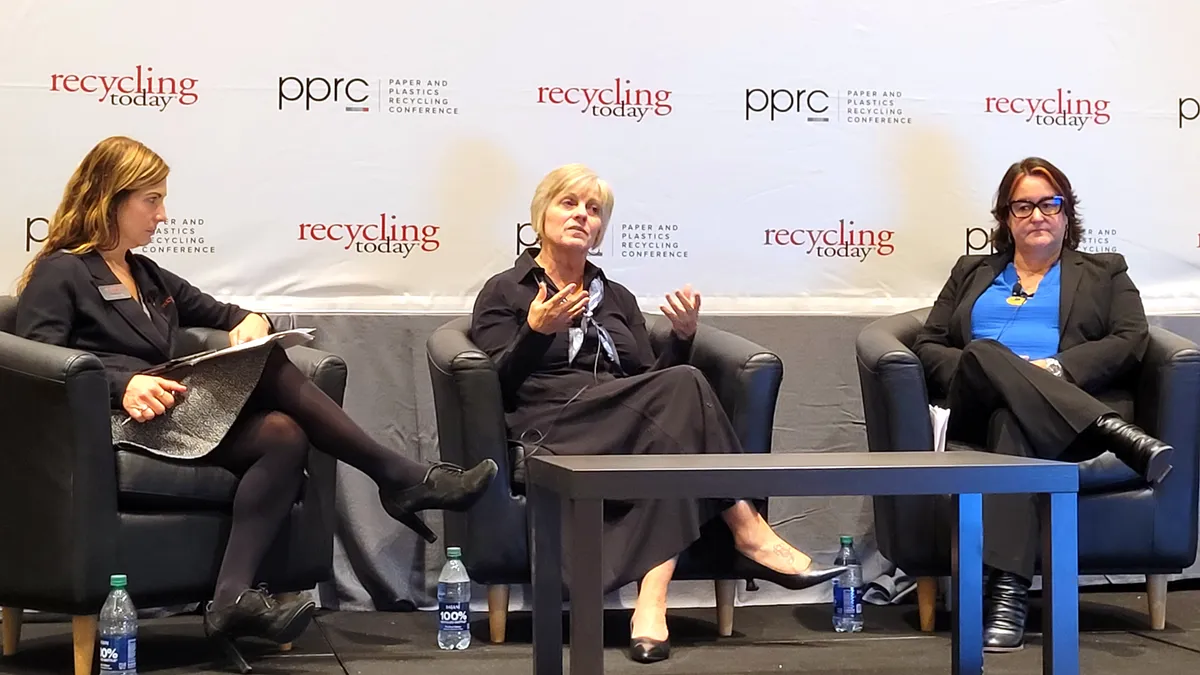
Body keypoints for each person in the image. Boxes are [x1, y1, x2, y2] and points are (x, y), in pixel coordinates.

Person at [14, 136, 497, 663]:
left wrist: (251, 322)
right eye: (151, 199)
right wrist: (120, 383)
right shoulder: (63, 270)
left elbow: (225, 311)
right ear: (110, 198)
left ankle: (230, 600)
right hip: (112, 423)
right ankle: (400, 477)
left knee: (284, 435)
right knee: (269, 366)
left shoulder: (145, 273)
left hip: (170, 416)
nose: (162, 214)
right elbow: (40, 362)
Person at [469, 163, 847, 664]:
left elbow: (649, 380)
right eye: (569, 204)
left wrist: (684, 338)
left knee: (675, 431)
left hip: (618, 420)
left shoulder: (616, 298)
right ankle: (749, 530)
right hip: (554, 424)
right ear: (541, 215)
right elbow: (494, 384)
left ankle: (651, 606)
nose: (582, 215)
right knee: (682, 400)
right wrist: (536, 332)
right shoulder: (505, 291)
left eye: (594, 209)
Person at [913, 156, 1173, 652]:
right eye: (1024, 205)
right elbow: (927, 345)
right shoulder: (972, 271)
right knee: (988, 352)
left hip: (1041, 416)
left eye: (1049, 203)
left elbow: (1131, 339)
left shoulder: (1105, 271)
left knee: (1012, 421)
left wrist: (1053, 370)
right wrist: (993, 368)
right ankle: (1114, 431)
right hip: (975, 400)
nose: (1038, 215)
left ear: (1066, 213)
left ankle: (1007, 598)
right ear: (1006, 219)